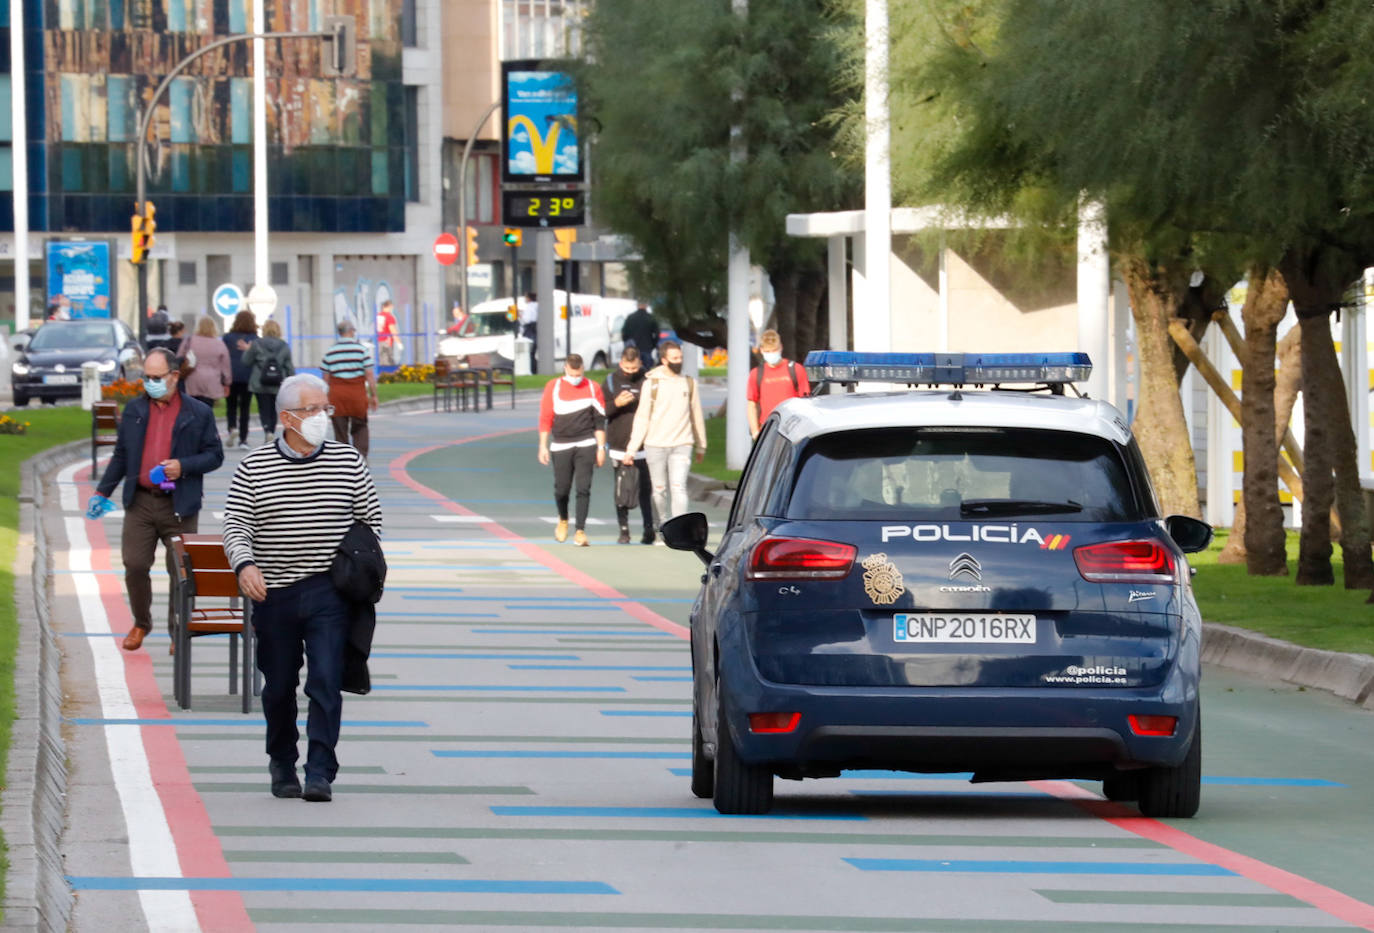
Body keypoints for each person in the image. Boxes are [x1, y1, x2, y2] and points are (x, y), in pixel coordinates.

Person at [222, 373, 382, 802]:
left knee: (326, 681)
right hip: (274, 592)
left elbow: (370, 521)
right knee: (277, 686)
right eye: (312, 410)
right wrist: (245, 565)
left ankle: (320, 770)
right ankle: (281, 762)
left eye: (324, 408)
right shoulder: (254, 467)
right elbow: (236, 524)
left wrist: (356, 563)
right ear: (287, 418)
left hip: (329, 591)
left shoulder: (348, 462)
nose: (322, 417)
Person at [87, 348, 224, 651]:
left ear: (175, 376)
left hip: (180, 504)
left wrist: (183, 466)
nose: (150, 383)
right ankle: (141, 622)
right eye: (146, 377)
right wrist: (102, 492)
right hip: (141, 502)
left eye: (156, 377)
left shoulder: (197, 413)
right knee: (134, 563)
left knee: (180, 570)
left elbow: (215, 455)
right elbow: (122, 456)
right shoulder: (136, 411)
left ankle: (178, 630)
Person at [623, 340, 707, 536]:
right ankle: (662, 525)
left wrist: (701, 445)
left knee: (678, 487)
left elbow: (697, 415)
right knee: (659, 491)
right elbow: (642, 417)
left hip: (682, 443)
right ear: (663, 360)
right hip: (655, 444)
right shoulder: (651, 384)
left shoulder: (689, 382)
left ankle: (680, 531)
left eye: (680, 358)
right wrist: (632, 449)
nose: (678, 361)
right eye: (674, 358)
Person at [537, 353, 606, 547]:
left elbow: (600, 421)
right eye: (572, 372)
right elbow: (545, 417)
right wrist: (543, 445)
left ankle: (580, 530)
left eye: (579, 373)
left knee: (583, 488)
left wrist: (601, 448)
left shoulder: (593, 388)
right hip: (561, 444)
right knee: (562, 489)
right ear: (565, 369)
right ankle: (563, 519)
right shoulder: (554, 387)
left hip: (586, 443)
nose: (576, 377)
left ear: (583, 370)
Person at [603, 347, 654, 544]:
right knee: (622, 488)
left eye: (634, 368)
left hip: (645, 444)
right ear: (621, 363)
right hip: (618, 443)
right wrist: (616, 403)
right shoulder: (610, 381)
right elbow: (601, 412)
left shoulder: (647, 380)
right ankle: (623, 530)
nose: (630, 372)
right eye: (626, 368)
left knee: (644, 489)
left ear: (640, 364)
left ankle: (648, 528)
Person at [320, 319, 378, 457]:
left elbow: (325, 380)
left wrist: (323, 399)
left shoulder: (330, 352)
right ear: (351, 331)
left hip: (337, 397)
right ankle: (360, 457)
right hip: (357, 395)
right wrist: (373, 395)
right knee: (360, 427)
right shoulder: (361, 351)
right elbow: (369, 375)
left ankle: (343, 458)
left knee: (340, 431)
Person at [747, 328, 810, 439]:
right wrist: (755, 431)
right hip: (767, 429)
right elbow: (751, 404)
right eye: (767, 351)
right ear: (761, 350)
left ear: (780, 347)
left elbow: (806, 401)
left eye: (774, 350)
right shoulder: (756, 374)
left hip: (792, 428)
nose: (771, 354)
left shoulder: (796, 369)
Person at [242, 318, 294, 440]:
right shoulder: (284, 346)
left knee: (263, 407)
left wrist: (249, 350)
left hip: (259, 382)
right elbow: (289, 366)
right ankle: (271, 429)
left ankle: (267, 430)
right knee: (274, 408)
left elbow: (246, 361)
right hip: (278, 382)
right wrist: (292, 382)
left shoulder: (256, 344)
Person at [222, 310, 259, 449]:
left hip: (231, 376)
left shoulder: (227, 338)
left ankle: (232, 428)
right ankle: (243, 440)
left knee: (230, 405)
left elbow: (223, 357)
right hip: (248, 376)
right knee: (245, 408)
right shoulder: (255, 339)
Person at [183, 316, 231, 411]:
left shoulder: (189, 341)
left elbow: (180, 356)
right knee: (207, 409)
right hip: (211, 380)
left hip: (192, 378)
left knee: (193, 409)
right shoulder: (219, 344)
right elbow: (225, 366)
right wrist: (227, 382)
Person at [621, 300, 659, 367]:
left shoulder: (630, 317)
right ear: (646, 305)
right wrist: (653, 344)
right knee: (646, 369)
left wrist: (627, 343)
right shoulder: (651, 318)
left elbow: (624, 333)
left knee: (633, 366)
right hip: (646, 347)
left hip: (633, 347)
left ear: (637, 305)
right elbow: (657, 334)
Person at [375, 299, 400, 366]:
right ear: (390, 306)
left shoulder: (377, 316)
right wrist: (399, 342)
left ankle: (381, 375)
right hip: (387, 341)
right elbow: (393, 330)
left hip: (378, 341)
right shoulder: (389, 317)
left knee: (381, 361)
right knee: (388, 361)